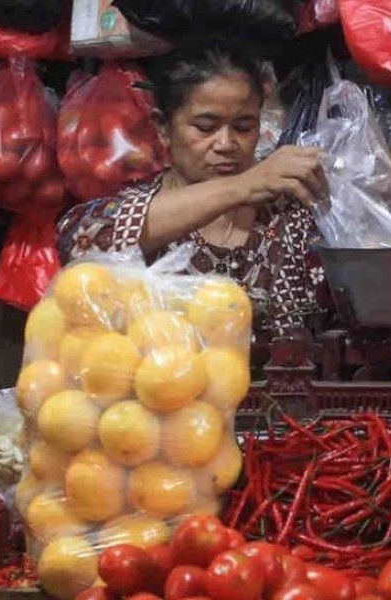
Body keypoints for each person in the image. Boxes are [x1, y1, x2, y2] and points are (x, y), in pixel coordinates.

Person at [57, 39, 329, 368]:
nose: (226, 143)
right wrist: (244, 185)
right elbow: (79, 239)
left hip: (279, 411)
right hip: (157, 406)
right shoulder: (140, 208)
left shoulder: (286, 215)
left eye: (244, 127)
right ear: (163, 129)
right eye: (205, 127)